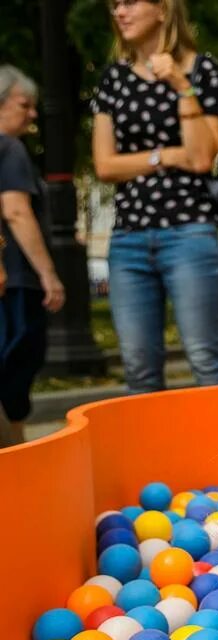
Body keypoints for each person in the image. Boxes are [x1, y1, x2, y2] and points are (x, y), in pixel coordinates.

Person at [91, 0, 218, 393]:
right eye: (115, 5)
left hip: (189, 233)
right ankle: (147, 455)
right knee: (138, 367)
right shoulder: (113, 79)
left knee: (206, 357)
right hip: (129, 239)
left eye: (129, 2)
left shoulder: (202, 70)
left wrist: (181, 86)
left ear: (162, 9)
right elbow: (104, 165)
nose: (119, 12)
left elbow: (204, 155)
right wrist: (167, 156)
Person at [0, 66, 66, 447]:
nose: (32, 114)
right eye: (24, 104)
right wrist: (48, 274)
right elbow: (16, 211)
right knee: (13, 375)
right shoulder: (9, 148)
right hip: (15, 281)